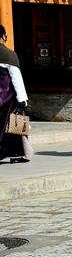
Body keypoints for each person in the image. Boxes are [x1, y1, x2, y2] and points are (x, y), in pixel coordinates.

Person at [0, 24, 32, 164]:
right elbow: (16, 78)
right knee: (14, 126)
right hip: (7, 97)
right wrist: (23, 99)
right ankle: (16, 154)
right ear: (3, 37)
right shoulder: (9, 55)